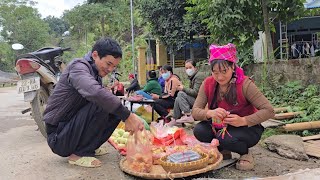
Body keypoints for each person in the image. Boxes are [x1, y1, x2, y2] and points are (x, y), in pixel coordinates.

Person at [43, 37, 144, 168]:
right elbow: (95, 93)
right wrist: (128, 116)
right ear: (95, 55)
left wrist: (122, 114)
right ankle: (78, 154)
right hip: (58, 136)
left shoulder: (95, 73)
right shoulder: (78, 67)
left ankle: (90, 147)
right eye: (108, 64)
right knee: (102, 102)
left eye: (114, 66)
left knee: (113, 110)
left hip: (69, 131)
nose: (110, 69)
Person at [192, 43, 274, 171]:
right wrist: (210, 113)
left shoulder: (245, 84)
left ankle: (245, 153)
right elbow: (195, 112)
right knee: (200, 130)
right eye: (215, 72)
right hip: (220, 127)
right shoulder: (208, 83)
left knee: (224, 138)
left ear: (233, 67)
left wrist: (243, 120)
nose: (219, 77)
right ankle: (224, 151)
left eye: (224, 71)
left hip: (246, 128)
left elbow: (269, 111)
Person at [172, 59, 206, 124]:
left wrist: (183, 88)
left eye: (190, 67)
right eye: (186, 68)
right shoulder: (193, 77)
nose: (188, 70)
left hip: (201, 103)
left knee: (181, 94)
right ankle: (175, 119)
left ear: (195, 68)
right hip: (196, 100)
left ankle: (188, 115)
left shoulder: (199, 76)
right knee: (177, 98)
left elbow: (196, 93)